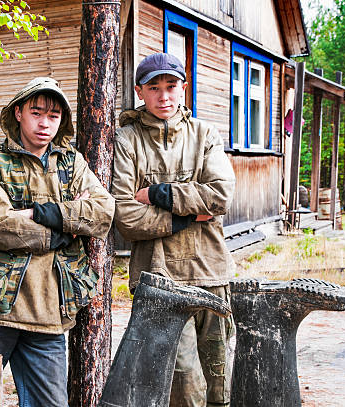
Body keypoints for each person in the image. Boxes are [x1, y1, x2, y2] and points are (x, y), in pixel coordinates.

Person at [0, 77, 115, 407]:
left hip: (48, 313)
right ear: (18, 113)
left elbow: (103, 212)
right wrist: (66, 228)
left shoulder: (72, 163)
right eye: (36, 112)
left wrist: (36, 213)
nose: (44, 123)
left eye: (53, 115)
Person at [111, 53, 236, 407]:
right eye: (154, 88)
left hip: (211, 272)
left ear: (184, 87)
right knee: (180, 384)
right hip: (159, 280)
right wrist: (186, 215)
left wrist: (157, 193)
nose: (164, 96)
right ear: (140, 91)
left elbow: (220, 196)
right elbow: (125, 217)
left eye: (171, 86)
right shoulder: (127, 140)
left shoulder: (204, 134)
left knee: (219, 380)